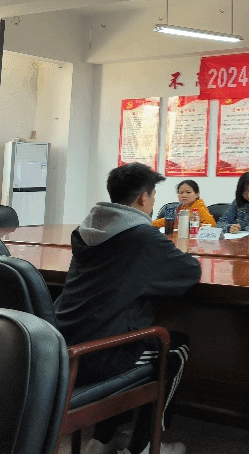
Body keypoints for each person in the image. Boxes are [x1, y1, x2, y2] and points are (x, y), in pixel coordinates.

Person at [54, 163, 201, 454]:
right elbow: (188, 273)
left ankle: (102, 439)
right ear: (143, 197)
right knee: (175, 347)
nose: (154, 201)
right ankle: (146, 445)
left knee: (116, 321)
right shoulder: (143, 237)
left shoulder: (85, 231)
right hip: (101, 356)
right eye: (154, 195)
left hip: (63, 346)